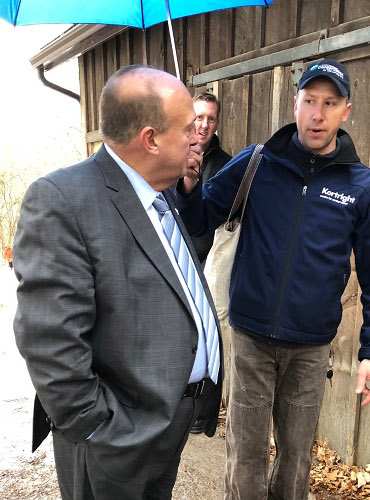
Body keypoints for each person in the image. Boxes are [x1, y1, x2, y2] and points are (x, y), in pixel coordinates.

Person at [177, 59, 370, 498]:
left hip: (311, 347)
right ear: (294, 102)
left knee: (297, 458)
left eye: (329, 103)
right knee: (245, 453)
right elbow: (202, 217)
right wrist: (186, 185)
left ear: (346, 111)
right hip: (251, 339)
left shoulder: (363, 186)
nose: (317, 115)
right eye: (309, 101)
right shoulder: (257, 163)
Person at [14, 64, 217, 498]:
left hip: (168, 425)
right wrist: (105, 431)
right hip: (116, 442)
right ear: (151, 138)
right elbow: (50, 345)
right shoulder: (62, 199)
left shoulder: (159, 192)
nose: (197, 138)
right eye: (187, 129)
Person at [181, 91, 233, 265]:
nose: (204, 125)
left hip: (206, 264)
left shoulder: (227, 166)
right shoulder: (171, 159)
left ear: (217, 124)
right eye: (199, 117)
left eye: (211, 119)